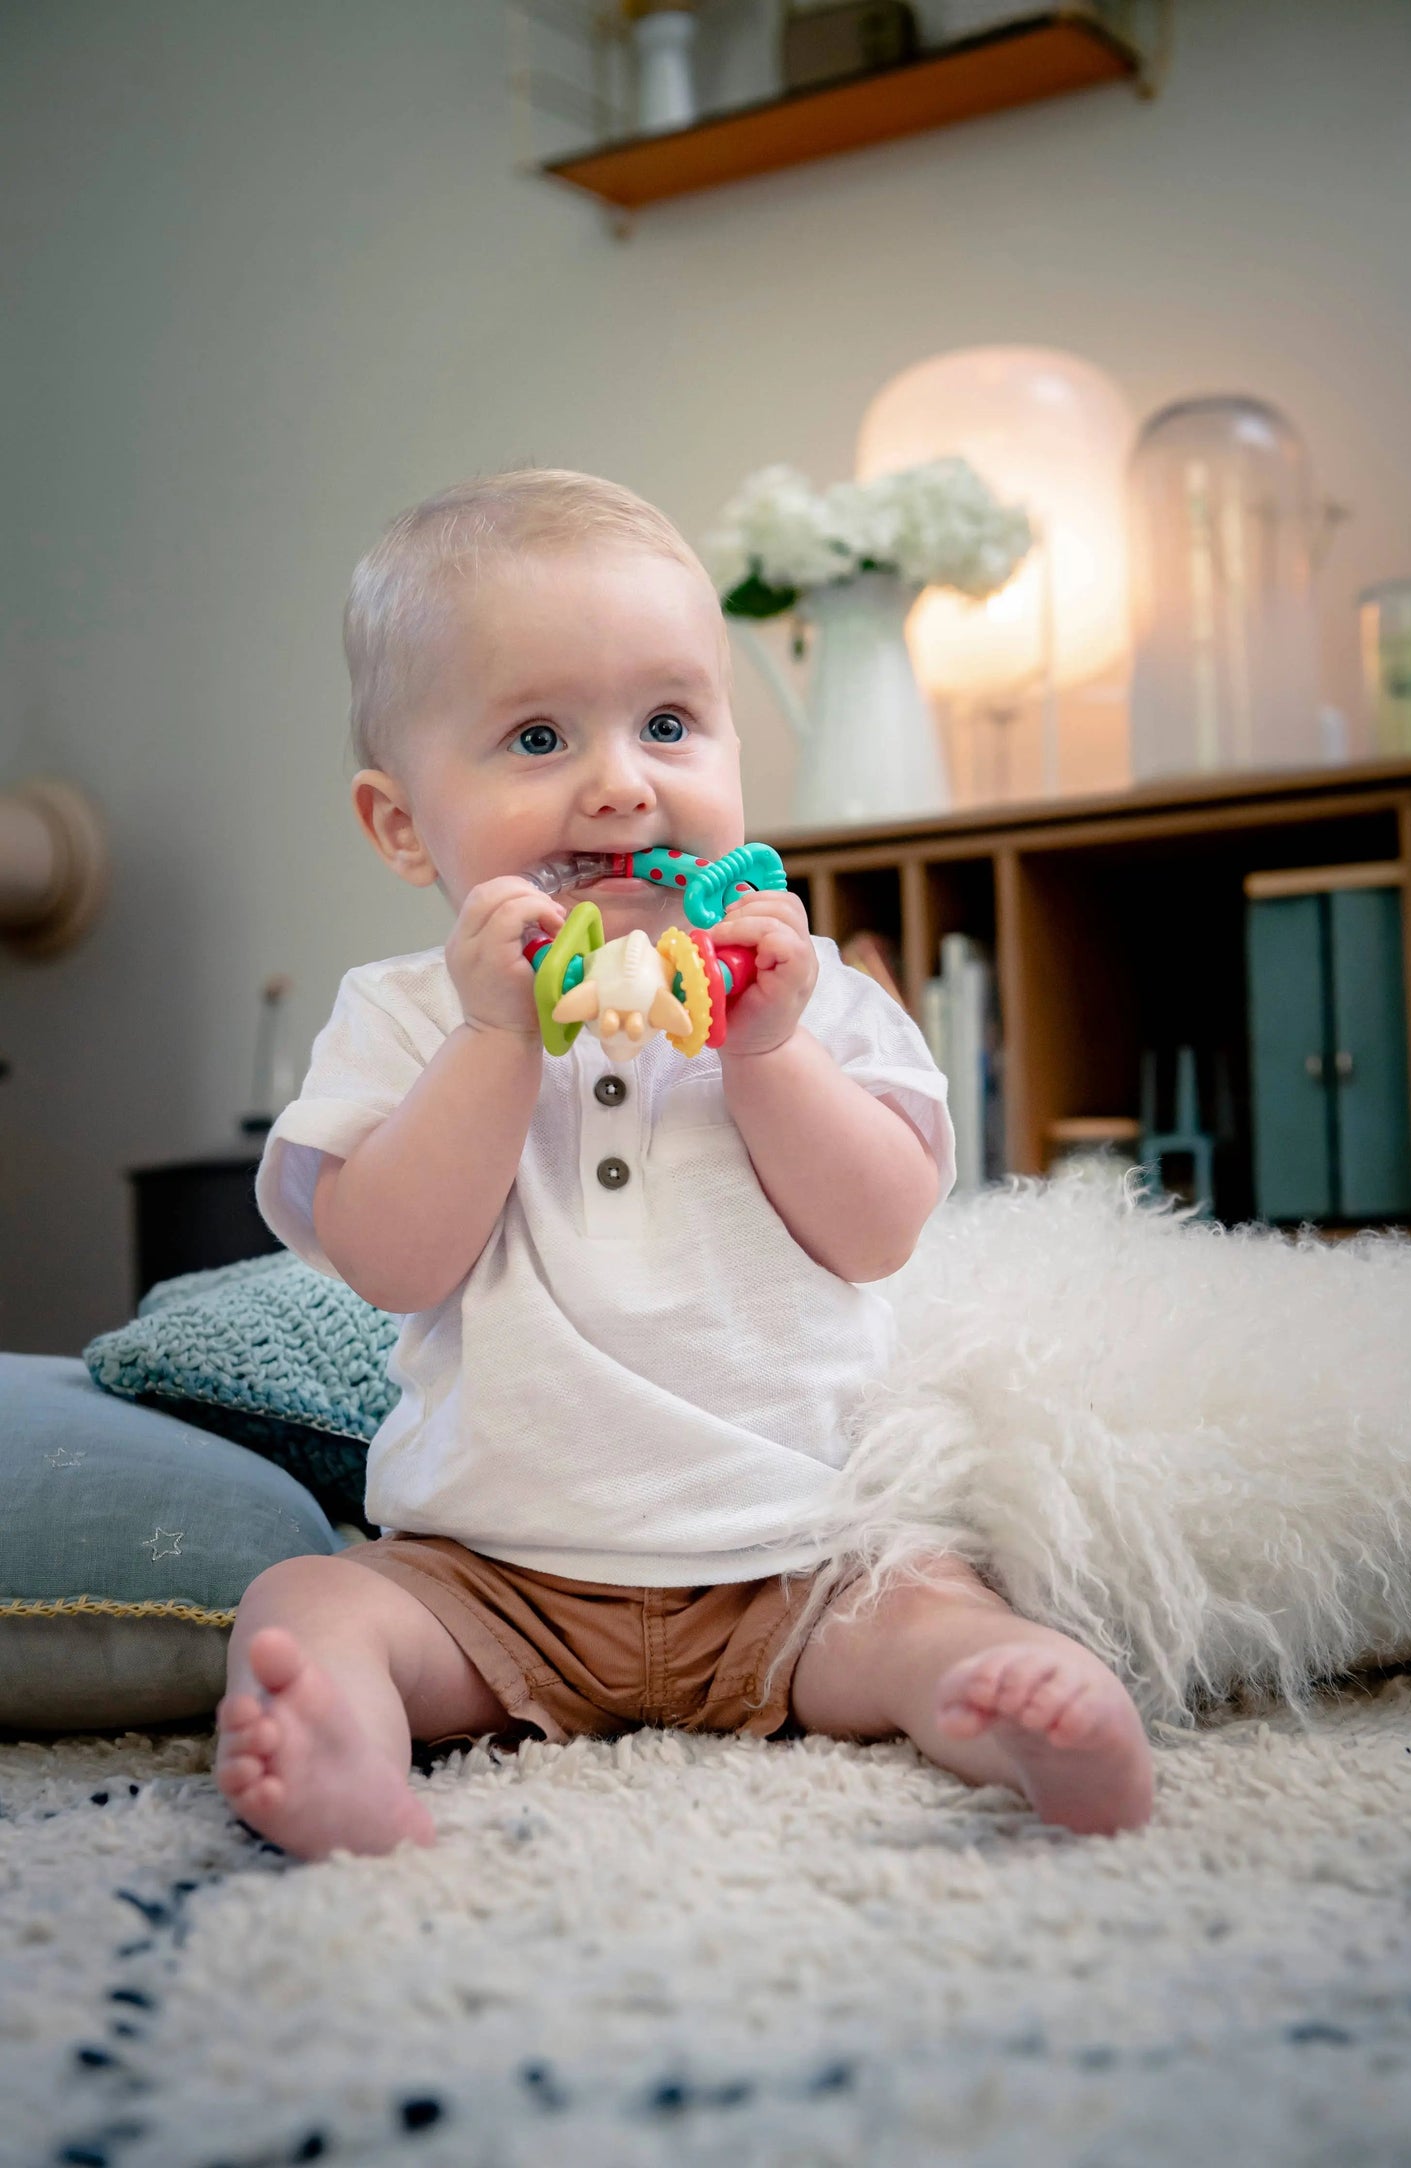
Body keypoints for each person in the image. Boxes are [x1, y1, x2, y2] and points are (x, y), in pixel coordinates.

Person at [213, 470, 1154, 1860]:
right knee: (307, 1599)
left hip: (797, 1558)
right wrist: (493, 1039)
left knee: (929, 1605)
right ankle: (342, 1738)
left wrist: (767, 1052)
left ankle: (995, 1707)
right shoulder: (406, 1013)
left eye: (667, 723)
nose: (619, 781)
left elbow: (880, 1232)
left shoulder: (806, 991)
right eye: (536, 736)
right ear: (403, 822)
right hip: (492, 1576)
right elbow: (393, 1260)